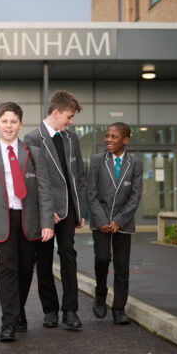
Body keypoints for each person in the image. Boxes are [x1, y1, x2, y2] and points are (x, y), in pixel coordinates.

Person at [0, 102, 54, 342]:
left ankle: (18, 312)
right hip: (1, 220)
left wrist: (47, 222)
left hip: (28, 219)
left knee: (26, 269)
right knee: (7, 269)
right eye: (4, 121)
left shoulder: (33, 153)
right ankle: (8, 321)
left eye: (14, 121)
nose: (9, 126)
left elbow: (44, 190)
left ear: (20, 124)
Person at [24, 90, 86, 330]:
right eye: (69, 117)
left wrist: (80, 209)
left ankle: (70, 310)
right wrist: (45, 210)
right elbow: (31, 181)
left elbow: (79, 175)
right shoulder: (32, 139)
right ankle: (50, 310)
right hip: (45, 212)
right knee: (44, 260)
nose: (71, 122)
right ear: (56, 112)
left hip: (69, 210)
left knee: (68, 256)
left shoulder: (71, 139)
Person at [87, 122, 142, 325]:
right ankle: (100, 294)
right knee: (102, 258)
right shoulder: (96, 161)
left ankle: (119, 308)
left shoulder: (135, 164)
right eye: (107, 136)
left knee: (122, 267)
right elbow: (91, 194)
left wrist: (119, 220)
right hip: (100, 220)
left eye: (113, 137)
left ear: (125, 140)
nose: (108, 140)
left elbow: (135, 197)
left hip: (123, 222)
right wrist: (102, 221)